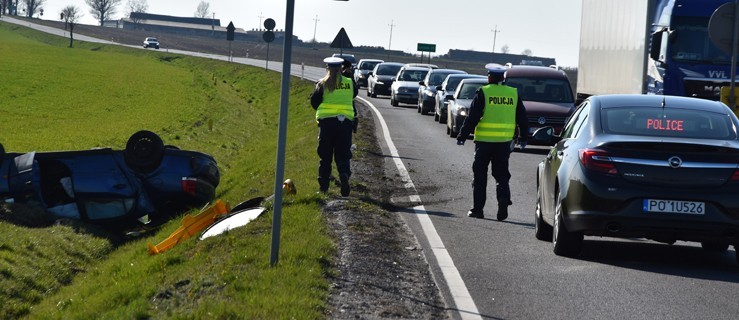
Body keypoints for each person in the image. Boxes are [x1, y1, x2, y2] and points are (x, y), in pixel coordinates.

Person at [456, 63, 529, 221]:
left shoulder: (484, 92)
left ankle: (478, 210)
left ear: (489, 77)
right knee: (501, 175)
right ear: (503, 77)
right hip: (504, 143)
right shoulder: (513, 93)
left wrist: (462, 135)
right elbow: (522, 118)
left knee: (480, 177)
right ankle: (503, 198)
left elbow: (472, 117)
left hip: (484, 143)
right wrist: (523, 137)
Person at [309, 57, 358, 196]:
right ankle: (343, 174)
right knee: (343, 154)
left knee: (325, 157)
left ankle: (324, 187)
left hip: (327, 124)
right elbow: (354, 94)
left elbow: (314, 102)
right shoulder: (349, 83)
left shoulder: (322, 84)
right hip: (345, 124)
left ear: (327, 68)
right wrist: (349, 76)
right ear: (341, 68)